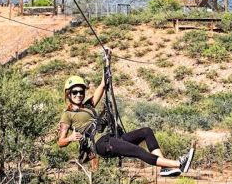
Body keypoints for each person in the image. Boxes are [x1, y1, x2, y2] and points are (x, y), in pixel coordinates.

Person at [58, 73, 194, 177]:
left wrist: (106, 58)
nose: (79, 95)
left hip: (111, 137)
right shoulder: (67, 114)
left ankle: (164, 167)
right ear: (68, 94)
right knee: (138, 151)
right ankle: (178, 164)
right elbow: (60, 142)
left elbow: (103, 85)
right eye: (75, 92)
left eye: (81, 92)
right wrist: (70, 138)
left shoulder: (89, 105)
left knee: (146, 131)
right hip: (100, 143)